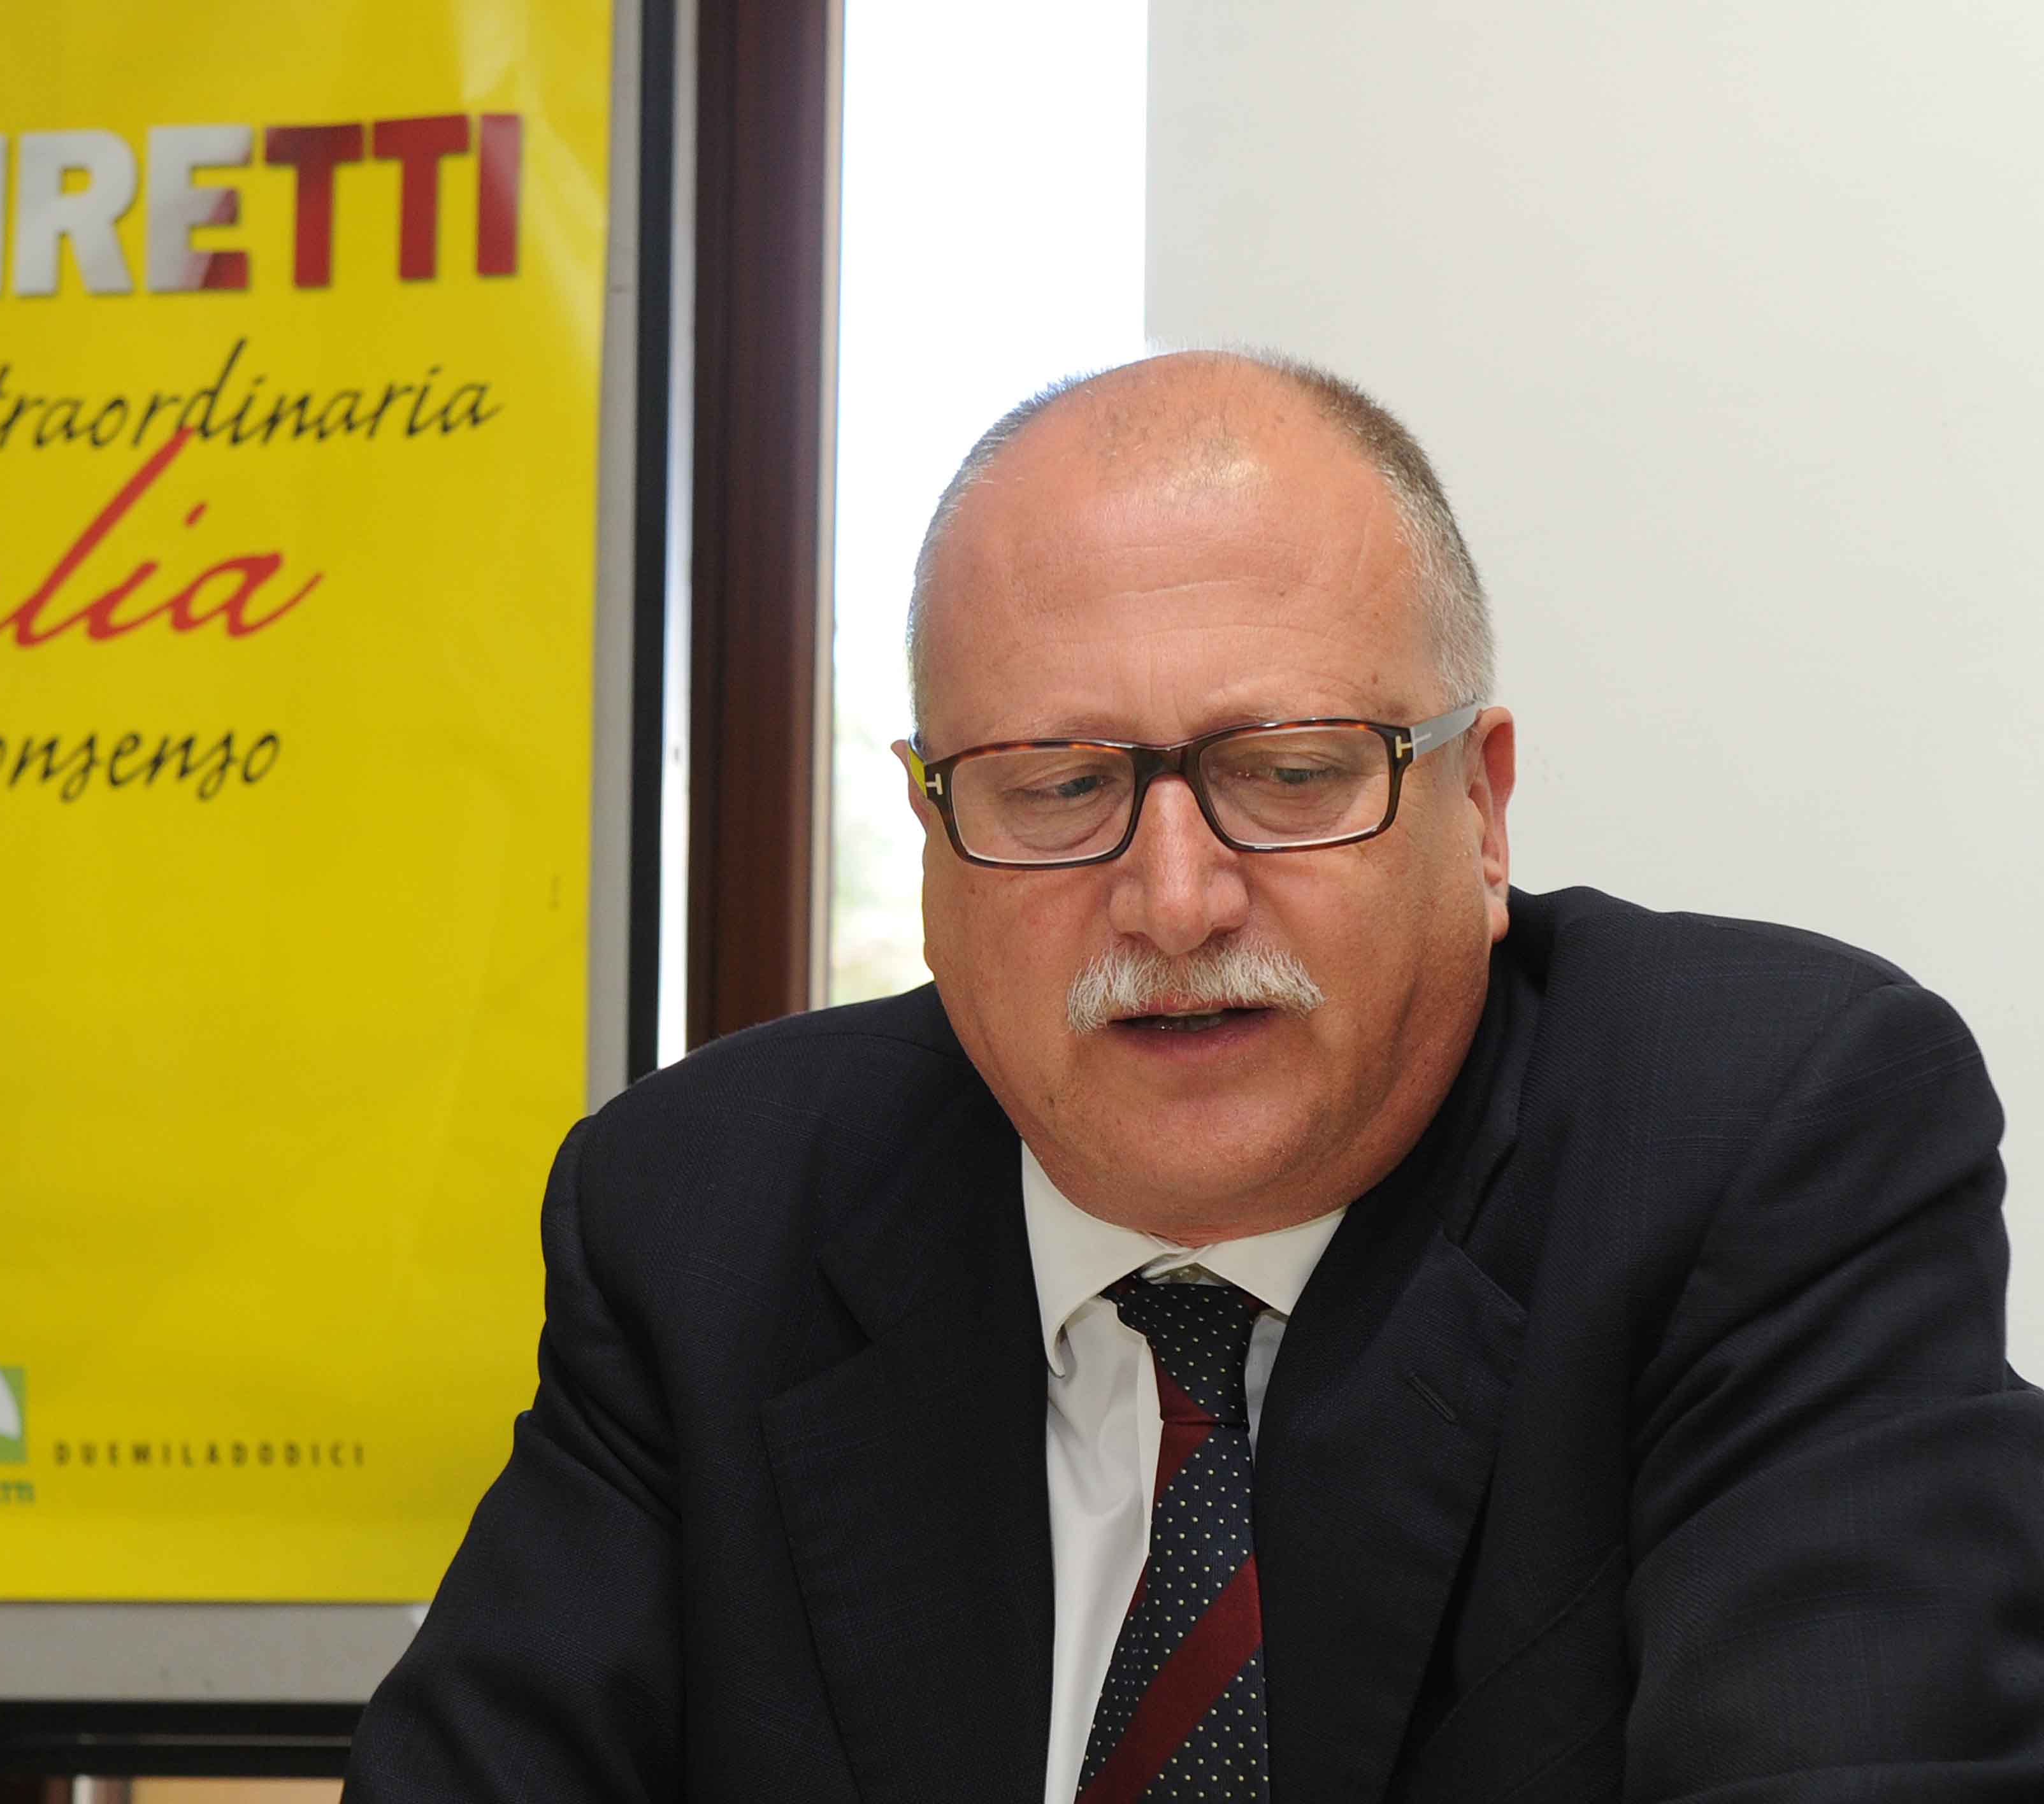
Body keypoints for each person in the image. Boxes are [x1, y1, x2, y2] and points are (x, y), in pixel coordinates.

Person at [340, 351, 2044, 1801]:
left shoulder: (1761, 1138)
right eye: (1055, 788)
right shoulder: (705, 1216)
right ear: (932, 836)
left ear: (1482, 810)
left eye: (1293, 774)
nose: (1173, 901)